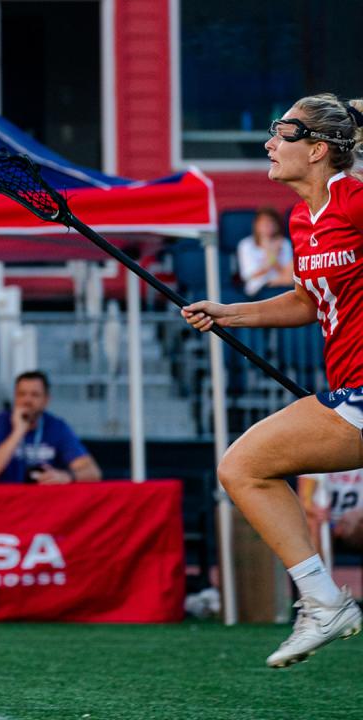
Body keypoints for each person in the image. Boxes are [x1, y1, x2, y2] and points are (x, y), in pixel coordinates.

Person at [181, 92, 363, 668]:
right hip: (347, 391)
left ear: (317, 150)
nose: (268, 143)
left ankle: (322, 600)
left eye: (281, 134)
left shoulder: (357, 202)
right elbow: (309, 301)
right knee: (243, 467)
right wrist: (231, 312)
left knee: (243, 466)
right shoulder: (302, 219)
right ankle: (321, 599)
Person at [0, 371, 102, 484]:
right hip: (5, 504)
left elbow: (93, 472)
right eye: (21, 394)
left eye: (34, 395)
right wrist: (18, 432)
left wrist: (67, 476)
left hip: (42, 504)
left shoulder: (56, 426)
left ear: (46, 400)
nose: (27, 400)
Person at [297, 469, 363, 555]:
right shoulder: (316, 460)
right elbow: (304, 500)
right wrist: (317, 511)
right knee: (312, 521)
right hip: (324, 519)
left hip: (355, 520)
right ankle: (318, 567)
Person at [236, 206, 295, 297]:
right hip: (259, 288)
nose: (267, 225)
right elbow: (248, 276)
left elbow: (287, 273)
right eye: (263, 222)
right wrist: (270, 253)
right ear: (256, 225)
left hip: (281, 285)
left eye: (271, 222)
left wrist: (272, 255)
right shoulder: (246, 245)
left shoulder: (284, 243)